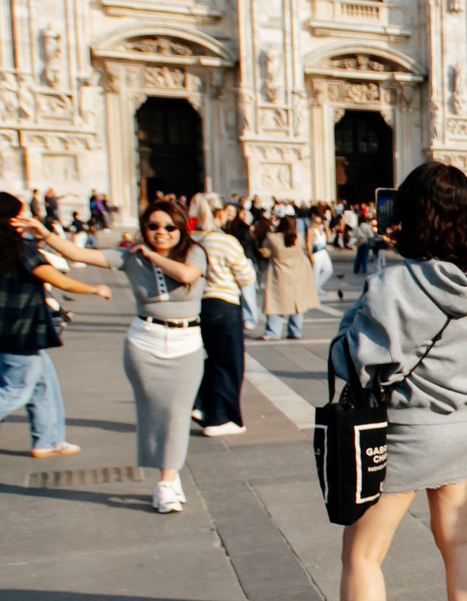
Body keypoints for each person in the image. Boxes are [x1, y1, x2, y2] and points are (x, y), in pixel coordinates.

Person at [297, 162, 467, 601]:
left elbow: (357, 361)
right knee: (459, 543)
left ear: (412, 216)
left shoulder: (394, 284)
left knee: (363, 555)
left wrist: (353, 321)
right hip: (464, 433)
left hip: (406, 437)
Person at [33, 201, 208, 513]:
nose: (161, 232)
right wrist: (45, 233)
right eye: (153, 226)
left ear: (182, 228)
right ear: (144, 228)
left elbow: (185, 274)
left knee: (178, 414)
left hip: (186, 344)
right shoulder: (129, 257)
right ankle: (169, 477)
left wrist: (150, 254)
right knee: (153, 413)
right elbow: (78, 255)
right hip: (145, 344)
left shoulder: (195, 252)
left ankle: (166, 481)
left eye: (170, 227)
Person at [0, 192, 111, 470]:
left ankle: (48, 440)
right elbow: (56, 279)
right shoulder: (19, 248)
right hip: (18, 329)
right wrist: (95, 288)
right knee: (15, 387)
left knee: (42, 381)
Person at [190, 212, 253, 436]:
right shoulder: (225, 241)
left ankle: (200, 403)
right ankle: (220, 418)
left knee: (213, 359)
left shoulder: (192, 240)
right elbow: (247, 276)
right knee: (230, 362)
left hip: (199, 305)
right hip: (224, 305)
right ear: (217, 214)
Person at [259, 215, 318, 339]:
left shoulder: (273, 238)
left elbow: (264, 248)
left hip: (280, 274)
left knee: (276, 303)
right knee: (297, 303)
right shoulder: (299, 238)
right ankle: (295, 330)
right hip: (298, 274)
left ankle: (273, 332)